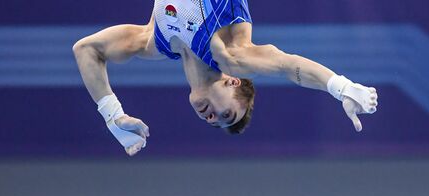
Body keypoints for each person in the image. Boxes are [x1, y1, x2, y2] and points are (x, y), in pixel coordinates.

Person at [73, 0, 379, 156]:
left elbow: (86, 50)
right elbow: (288, 66)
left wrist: (113, 118)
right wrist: (342, 88)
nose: (213, 117)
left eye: (217, 122)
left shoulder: (154, 41)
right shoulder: (230, 52)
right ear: (233, 81)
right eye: (227, 113)